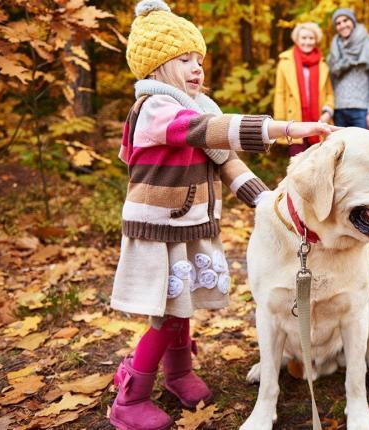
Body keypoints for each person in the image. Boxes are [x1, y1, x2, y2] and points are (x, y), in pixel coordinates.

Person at [109, 2, 334, 429]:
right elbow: (209, 132)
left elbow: (228, 162)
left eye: (199, 60)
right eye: (183, 60)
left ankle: (178, 373)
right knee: (166, 313)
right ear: (154, 69)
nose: (197, 68)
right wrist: (285, 128)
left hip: (190, 224)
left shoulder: (197, 109)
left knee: (183, 304)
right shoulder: (157, 110)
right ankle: (131, 395)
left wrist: (271, 205)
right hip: (160, 230)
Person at [274, 22, 334, 156]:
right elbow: (280, 94)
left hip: (320, 121)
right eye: (304, 38)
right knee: (297, 163)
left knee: (319, 163)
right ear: (297, 39)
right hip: (295, 120)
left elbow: (329, 93)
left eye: (311, 38)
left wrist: (328, 112)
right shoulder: (285, 62)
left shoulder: (323, 63)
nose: (307, 42)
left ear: (316, 40)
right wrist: (279, 124)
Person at [326, 8, 369, 130]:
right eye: (338, 23)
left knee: (362, 148)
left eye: (345, 20)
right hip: (338, 110)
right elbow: (329, 82)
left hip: (361, 111)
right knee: (340, 148)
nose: (342, 25)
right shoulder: (334, 50)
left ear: (353, 21)